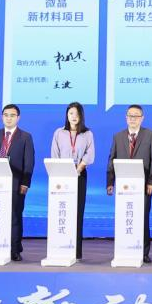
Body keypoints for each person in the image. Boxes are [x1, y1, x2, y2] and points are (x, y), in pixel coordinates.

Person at [106, 104, 152, 263]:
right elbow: (112, 159)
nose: (133, 118)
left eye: (136, 116)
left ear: (142, 118)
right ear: (126, 118)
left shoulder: (150, 135)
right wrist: (110, 182)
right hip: (124, 186)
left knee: (142, 217)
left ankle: (144, 252)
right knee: (125, 216)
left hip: (143, 186)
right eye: (130, 115)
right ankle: (124, 249)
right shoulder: (118, 136)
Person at [0, 104, 33, 261]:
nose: (9, 118)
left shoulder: (25, 137)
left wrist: (25, 183)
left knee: (14, 217)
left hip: (16, 184)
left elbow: (29, 162)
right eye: (6, 115)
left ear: (18, 118)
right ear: (1, 117)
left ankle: (14, 249)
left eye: (12, 115)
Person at [51, 102, 95, 259]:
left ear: (81, 116)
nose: (74, 117)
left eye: (77, 114)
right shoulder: (59, 133)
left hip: (79, 174)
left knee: (77, 212)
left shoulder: (87, 134)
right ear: (67, 115)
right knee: (62, 211)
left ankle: (76, 251)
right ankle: (60, 247)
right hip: (62, 175)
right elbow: (54, 154)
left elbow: (90, 154)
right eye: (71, 113)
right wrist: (60, 171)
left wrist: (79, 168)